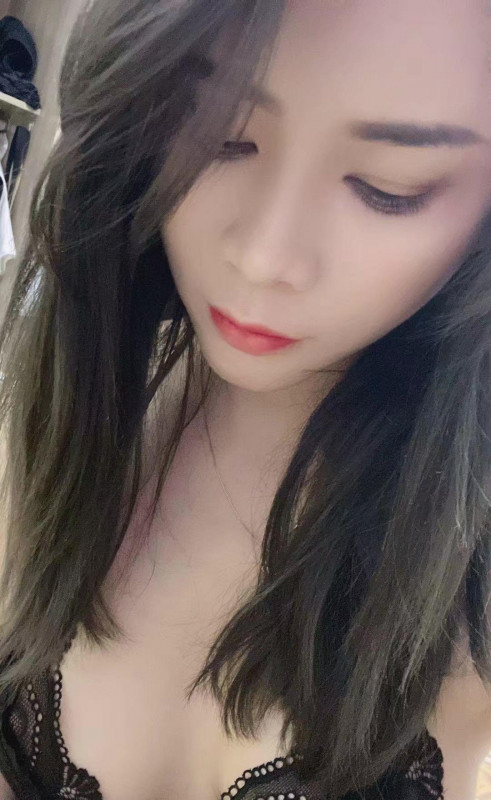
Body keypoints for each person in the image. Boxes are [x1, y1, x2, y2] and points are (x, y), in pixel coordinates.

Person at [0, 0, 490, 798]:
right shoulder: (62, 414)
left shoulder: (469, 562)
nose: (264, 256)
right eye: (217, 134)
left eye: (388, 188)